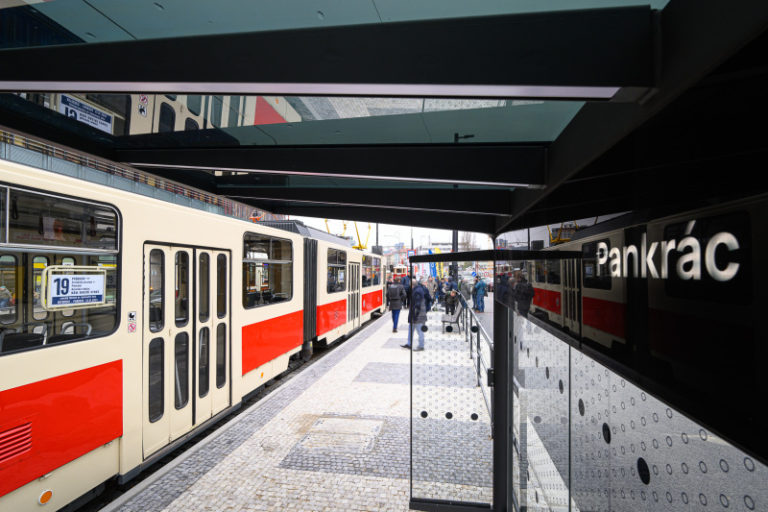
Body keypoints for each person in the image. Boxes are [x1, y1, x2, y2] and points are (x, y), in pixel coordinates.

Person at [402, 278, 429, 351]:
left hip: (418, 316)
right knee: (411, 329)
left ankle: (421, 346)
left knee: (420, 331)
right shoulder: (417, 289)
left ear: (412, 285)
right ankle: (409, 344)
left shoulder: (417, 291)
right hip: (415, 315)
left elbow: (417, 305)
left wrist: (415, 316)